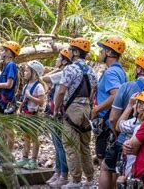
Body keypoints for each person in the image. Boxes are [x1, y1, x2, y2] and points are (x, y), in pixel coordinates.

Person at [100, 53, 144, 188]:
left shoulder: (127, 87)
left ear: (138, 69)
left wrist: (117, 134)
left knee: (108, 167)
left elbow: (113, 118)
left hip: (126, 137)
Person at [53, 38, 98, 188]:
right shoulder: (92, 71)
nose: (70, 52)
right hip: (87, 109)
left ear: (77, 52)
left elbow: (61, 92)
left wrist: (55, 109)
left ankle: (76, 180)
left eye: (71, 50)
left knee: (71, 146)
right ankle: (90, 179)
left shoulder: (70, 69)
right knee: (85, 146)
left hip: (72, 110)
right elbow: (93, 92)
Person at [93, 37, 127, 167]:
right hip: (112, 120)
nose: (101, 52)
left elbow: (116, 94)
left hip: (107, 122)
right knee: (111, 163)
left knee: (104, 162)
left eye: (103, 49)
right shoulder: (119, 71)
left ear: (108, 52)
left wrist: (97, 109)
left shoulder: (111, 72)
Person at [115, 90, 144, 187]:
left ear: (140, 108)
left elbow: (118, 126)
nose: (134, 106)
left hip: (134, 172)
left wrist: (129, 105)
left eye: (136, 104)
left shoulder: (136, 126)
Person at [43, 49, 71, 186]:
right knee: (56, 144)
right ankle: (58, 172)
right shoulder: (62, 72)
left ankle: (63, 175)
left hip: (58, 114)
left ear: (65, 61)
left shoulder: (63, 73)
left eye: (59, 58)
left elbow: (44, 78)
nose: (56, 60)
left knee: (59, 145)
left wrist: (57, 69)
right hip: (56, 112)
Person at [14, 60, 46, 170]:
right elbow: (23, 99)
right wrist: (19, 109)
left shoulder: (39, 87)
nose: (25, 73)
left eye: (27, 71)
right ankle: (24, 158)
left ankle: (33, 160)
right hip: (25, 114)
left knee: (34, 137)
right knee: (25, 137)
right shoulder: (26, 85)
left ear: (34, 73)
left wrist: (30, 96)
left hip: (33, 115)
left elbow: (41, 102)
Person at [0, 40, 20, 153]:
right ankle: (2, 153)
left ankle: (7, 155)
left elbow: (9, 84)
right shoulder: (6, 66)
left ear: (9, 52)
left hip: (7, 102)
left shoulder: (11, 65)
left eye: (4, 50)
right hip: (2, 102)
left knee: (8, 129)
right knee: (2, 129)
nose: (1, 52)